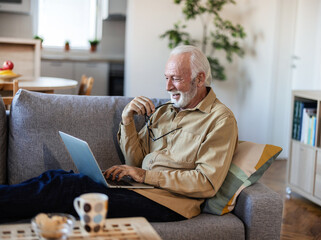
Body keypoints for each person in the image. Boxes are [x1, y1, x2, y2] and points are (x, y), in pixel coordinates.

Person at [0, 45, 238, 223]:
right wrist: (127, 120)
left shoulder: (220, 120)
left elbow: (206, 183)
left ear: (200, 78)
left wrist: (144, 176)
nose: (167, 87)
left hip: (170, 203)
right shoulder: (165, 112)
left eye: (175, 79)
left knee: (68, 187)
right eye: (166, 78)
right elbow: (134, 161)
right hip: (139, 189)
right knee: (57, 177)